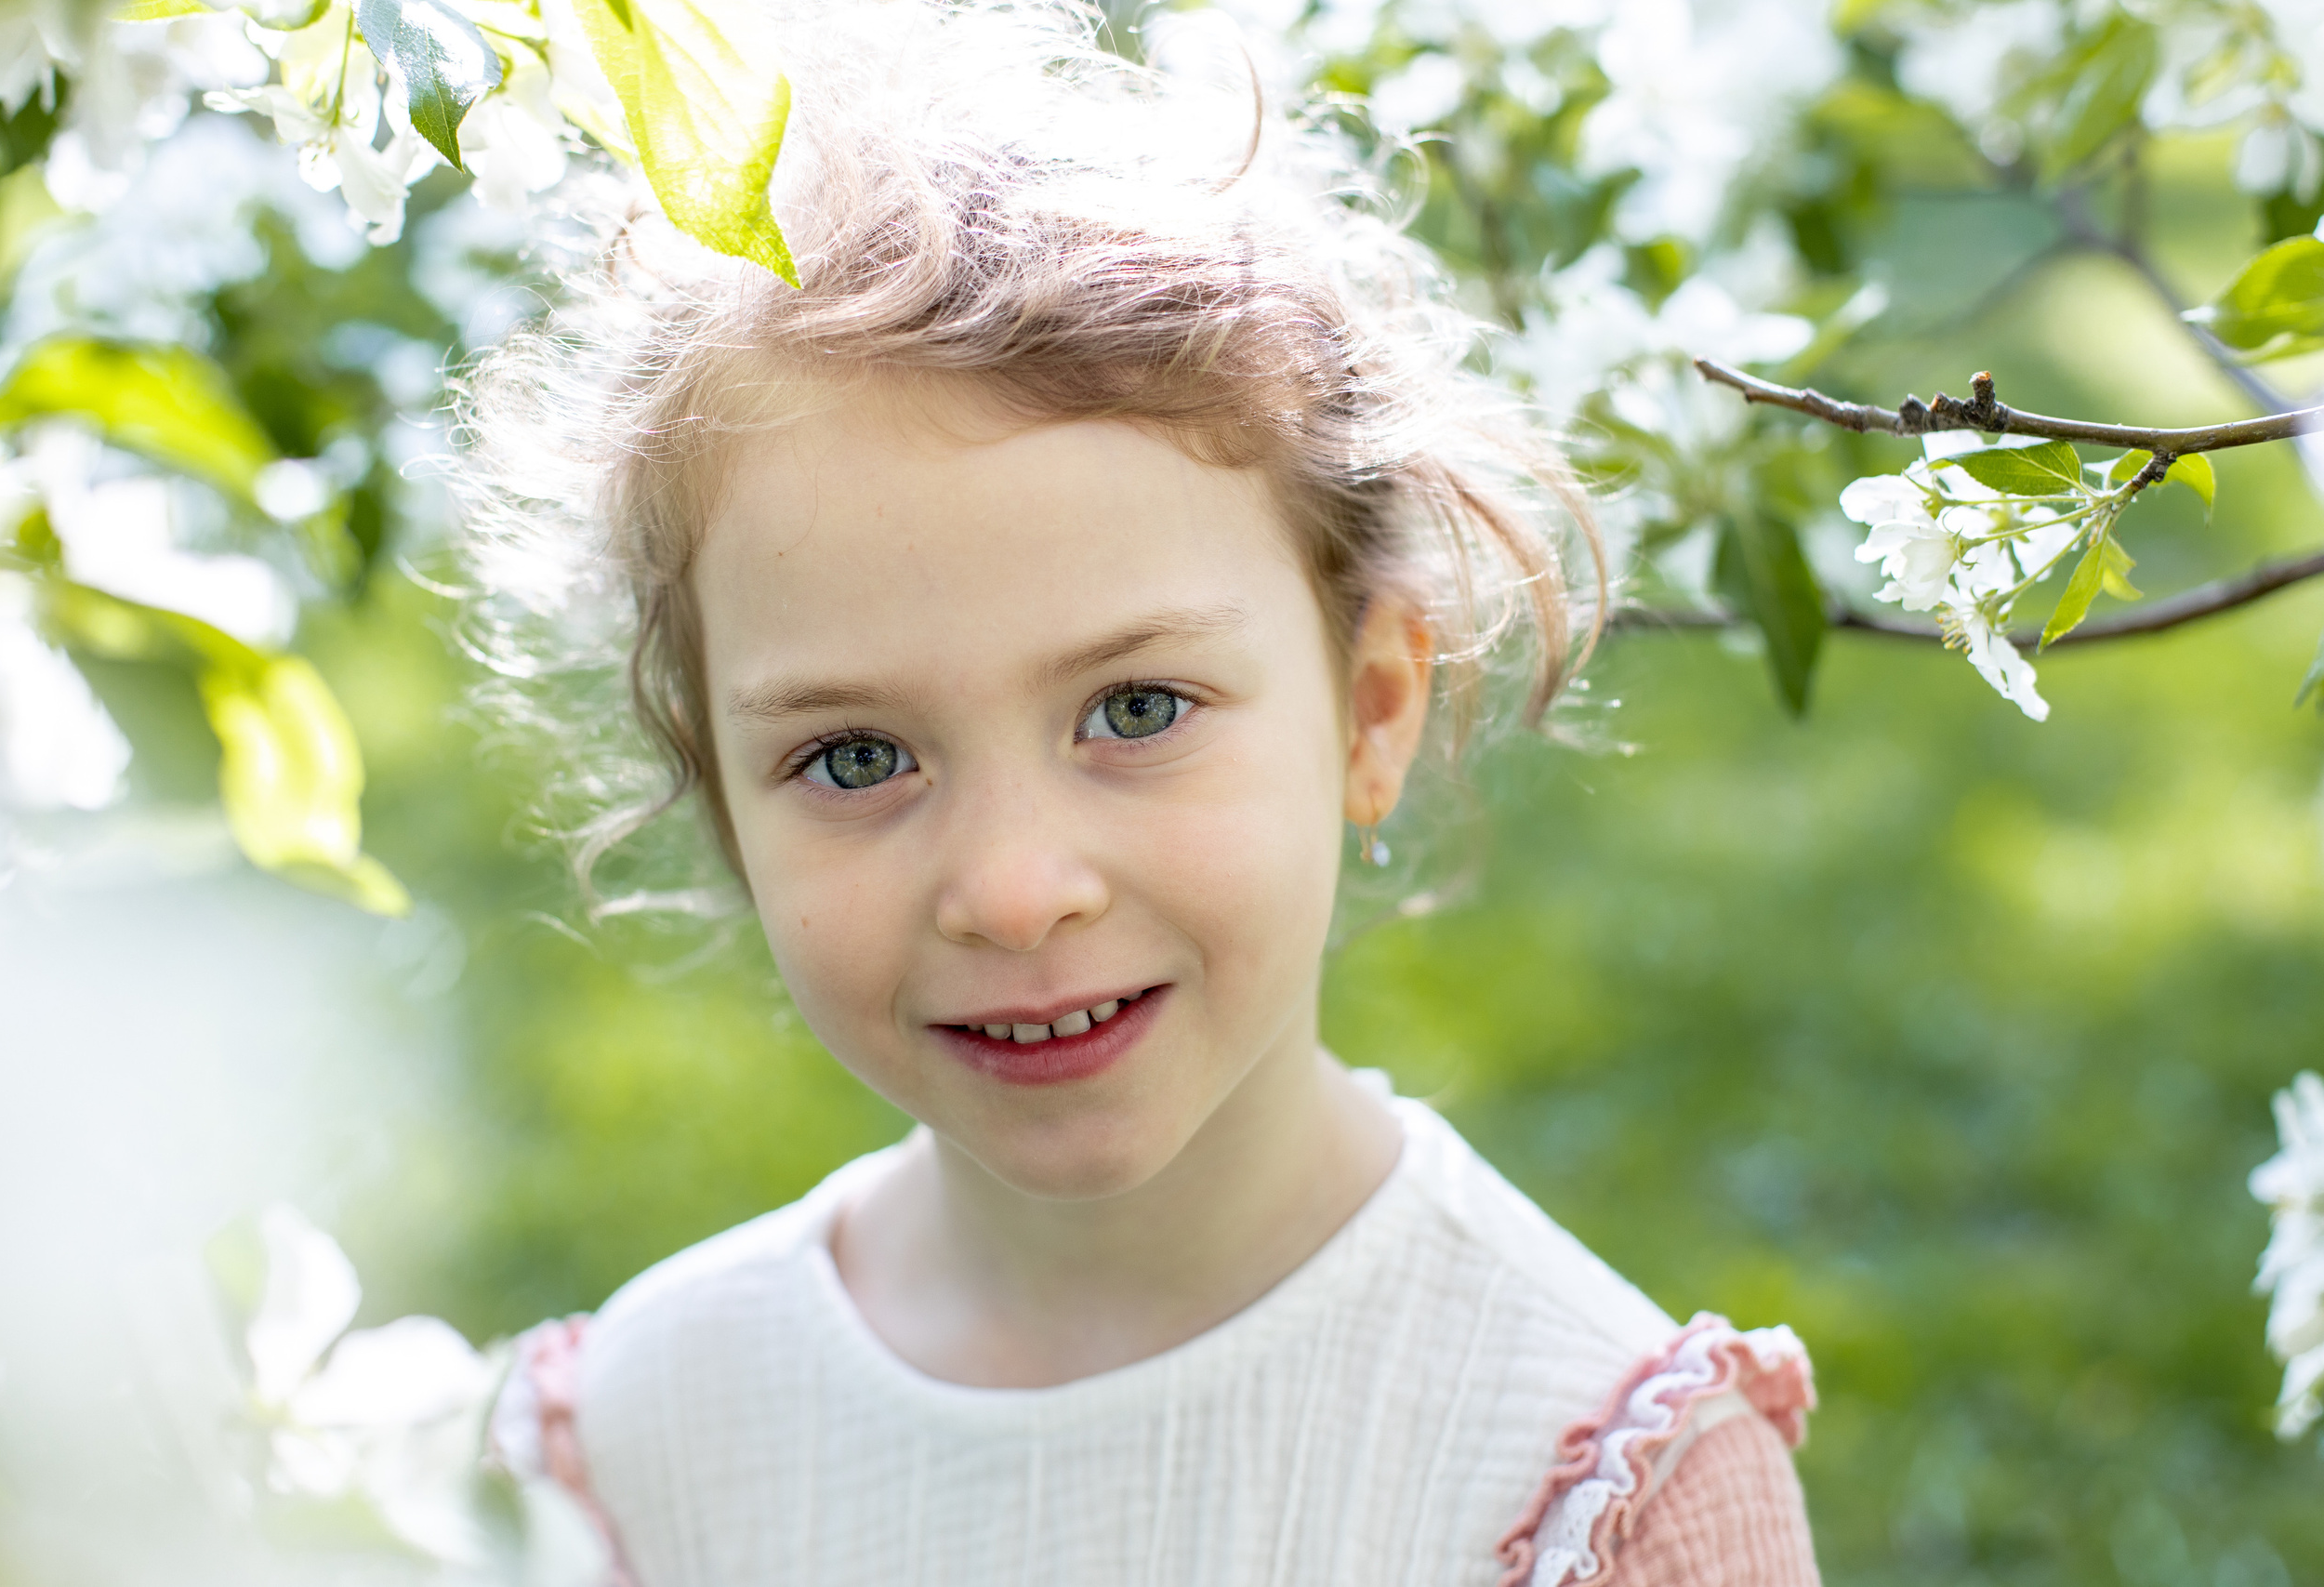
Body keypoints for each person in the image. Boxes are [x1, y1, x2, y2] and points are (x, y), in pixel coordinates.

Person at [465, 3, 1821, 1581]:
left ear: (1371, 708)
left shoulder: (1585, 1482)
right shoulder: (647, 1443)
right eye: (855, 757)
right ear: (717, 791)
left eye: (1136, 709)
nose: (1014, 891)